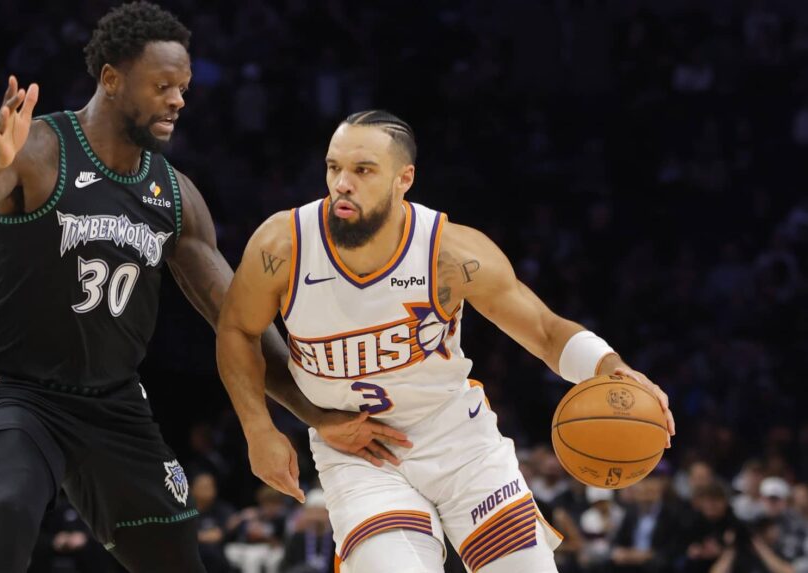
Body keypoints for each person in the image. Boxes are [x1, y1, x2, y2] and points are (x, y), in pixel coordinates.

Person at [0, 4, 409, 572]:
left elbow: (237, 320)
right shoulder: (42, 149)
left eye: (183, 87)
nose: (178, 100)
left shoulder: (175, 195)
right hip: (11, 391)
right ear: (112, 80)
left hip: (111, 406)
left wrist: (318, 413)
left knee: (176, 549)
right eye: (162, 85)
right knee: (14, 505)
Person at [216, 110, 676, 572]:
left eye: (363, 170)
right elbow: (237, 330)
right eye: (334, 167)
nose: (342, 184)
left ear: (404, 179)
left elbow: (544, 330)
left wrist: (609, 366)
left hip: (458, 440)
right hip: (358, 453)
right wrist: (258, 429)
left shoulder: (451, 253)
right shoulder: (283, 245)